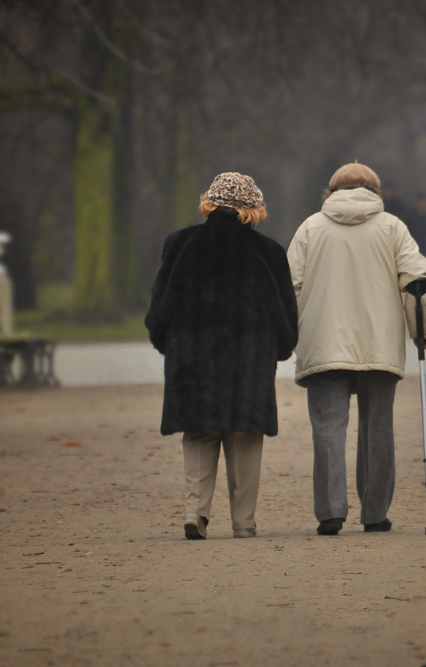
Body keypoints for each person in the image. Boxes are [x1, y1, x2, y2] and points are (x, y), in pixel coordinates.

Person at [145, 172, 299, 540]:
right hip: (248, 359)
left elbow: (160, 309)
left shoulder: (179, 244)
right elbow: (284, 315)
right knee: (244, 436)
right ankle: (243, 522)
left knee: (199, 434)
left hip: (192, 358)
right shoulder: (269, 252)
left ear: (209, 203)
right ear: (253, 208)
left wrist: (168, 342)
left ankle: (195, 512)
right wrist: (280, 347)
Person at [287, 162, 426, 536]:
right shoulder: (393, 228)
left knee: (327, 428)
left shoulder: (310, 227)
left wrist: (285, 336)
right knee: (378, 427)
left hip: (323, 342)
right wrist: (422, 331)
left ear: (331, 192)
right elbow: (417, 284)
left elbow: (288, 285)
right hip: (379, 343)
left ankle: (331, 511)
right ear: (377, 192)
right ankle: (375, 513)